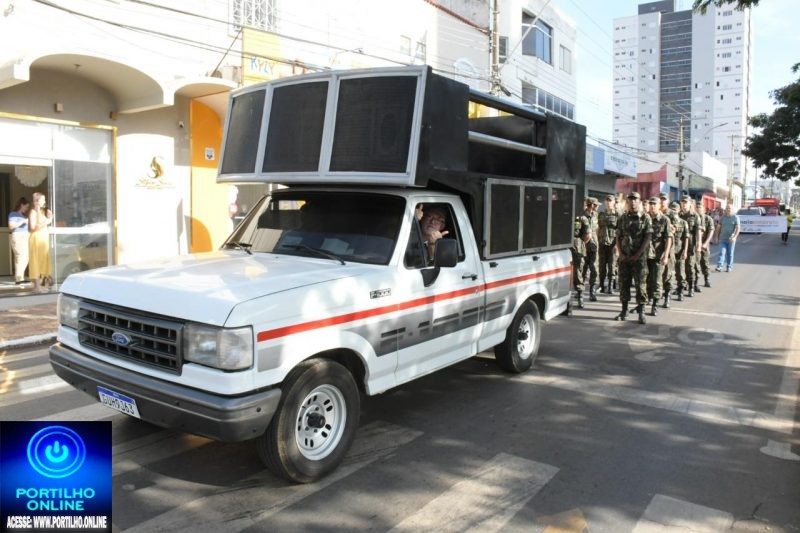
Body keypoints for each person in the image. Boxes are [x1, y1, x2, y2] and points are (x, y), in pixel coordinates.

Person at [615, 191, 652, 324]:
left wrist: (638, 254)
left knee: (640, 285)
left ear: (639, 201)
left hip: (639, 258)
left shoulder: (645, 218)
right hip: (624, 258)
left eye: (635, 199)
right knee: (623, 284)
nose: (633, 202)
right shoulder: (622, 218)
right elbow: (618, 236)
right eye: (630, 199)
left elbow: (648, 237)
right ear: (627, 202)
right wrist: (620, 253)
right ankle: (624, 311)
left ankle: (641, 312)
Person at [646, 197, 672, 316]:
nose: (652, 206)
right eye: (650, 204)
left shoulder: (664, 220)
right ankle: (648, 298)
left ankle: (655, 305)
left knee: (657, 280)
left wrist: (666, 255)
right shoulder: (645, 218)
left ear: (659, 206)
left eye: (654, 204)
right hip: (646, 255)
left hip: (658, 255)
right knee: (646, 279)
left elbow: (668, 239)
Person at [28, 192, 53, 292]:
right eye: (43, 200)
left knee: (43, 261)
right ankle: (37, 286)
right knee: (36, 261)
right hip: (36, 239)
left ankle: (40, 285)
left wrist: (49, 218)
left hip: (43, 238)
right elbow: (32, 227)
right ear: (37, 201)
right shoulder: (33, 212)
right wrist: (46, 222)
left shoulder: (43, 211)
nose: (44, 202)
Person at [678, 195, 702, 297]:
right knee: (680, 267)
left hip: (691, 244)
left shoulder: (695, 216)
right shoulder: (678, 215)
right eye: (682, 202)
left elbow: (698, 231)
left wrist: (699, 243)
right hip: (680, 244)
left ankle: (691, 287)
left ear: (690, 204)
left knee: (690, 266)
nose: (684, 204)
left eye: (686, 202)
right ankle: (681, 286)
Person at [664, 201, 687, 306]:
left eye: (675, 209)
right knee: (668, 274)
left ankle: (680, 291)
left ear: (679, 210)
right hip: (669, 252)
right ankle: (667, 296)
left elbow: (686, 238)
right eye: (671, 209)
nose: (673, 212)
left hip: (679, 251)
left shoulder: (683, 222)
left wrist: (685, 250)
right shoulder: (666, 222)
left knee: (680, 273)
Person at [597, 194, 619, 294]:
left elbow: (620, 231)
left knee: (612, 266)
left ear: (614, 202)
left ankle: (610, 286)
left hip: (612, 244)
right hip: (602, 243)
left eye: (610, 201)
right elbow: (598, 228)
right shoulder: (601, 214)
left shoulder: (618, 215)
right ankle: (601, 285)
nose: (608, 202)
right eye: (607, 201)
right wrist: (598, 240)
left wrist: (617, 245)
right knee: (602, 266)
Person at [580, 197, 600, 302]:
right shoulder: (582, 216)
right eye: (596, 205)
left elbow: (597, 230)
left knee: (594, 269)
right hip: (584, 246)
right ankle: (580, 292)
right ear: (591, 205)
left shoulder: (596, 215)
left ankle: (592, 292)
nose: (597, 207)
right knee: (583, 270)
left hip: (594, 246)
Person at [8, 197, 31, 284]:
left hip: (25, 237)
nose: (27, 209)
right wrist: (23, 222)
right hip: (18, 236)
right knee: (21, 257)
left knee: (23, 257)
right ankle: (19, 278)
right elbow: (11, 226)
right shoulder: (13, 214)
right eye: (26, 206)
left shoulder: (23, 216)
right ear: (22, 205)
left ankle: (20, 277)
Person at [694, 202, 715, 290]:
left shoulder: (708, 219)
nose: (698, 209)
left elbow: (711, 231)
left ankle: (707, 279)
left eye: (700, 207)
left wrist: (706, 243)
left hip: (704, 245)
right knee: (695, 264)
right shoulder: (693, 218)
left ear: (704, 209)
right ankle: (694, 282)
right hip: (694, 245)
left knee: (705, 262)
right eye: (697, 207)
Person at [715, 204, 740, 272]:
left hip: (731, 239)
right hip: (722, 239)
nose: (728, 209)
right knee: (721, 252)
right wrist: (716, 237)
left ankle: (729, 267)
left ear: (732, 209)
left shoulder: (735, 217)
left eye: (729, 208)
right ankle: (719, 266)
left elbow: (738, 228)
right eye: (727, 208)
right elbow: (718, 228)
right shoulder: (723, 217)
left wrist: (735, 237)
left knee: (730, 254)